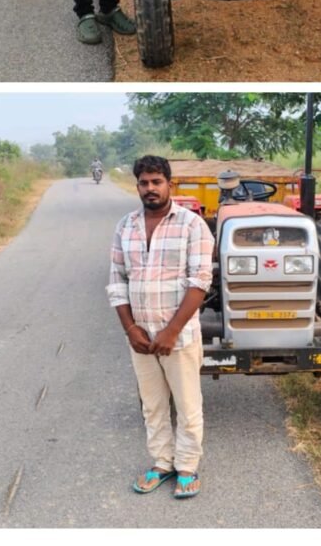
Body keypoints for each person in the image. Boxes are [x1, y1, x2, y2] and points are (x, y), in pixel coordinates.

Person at [107, 155, 213, 499]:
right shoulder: (126, 226)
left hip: (178, 337)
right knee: (152, 406)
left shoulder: (191, 225)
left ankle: (186, 467)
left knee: (186, 404)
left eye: (156, 182)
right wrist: (130, 328)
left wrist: (171, 331)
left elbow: (200, 283)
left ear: (170, 183)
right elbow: (117, 281)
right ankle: (162, 463)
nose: (150, 188)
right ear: (136, 185)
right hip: (141, 337)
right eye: (144, 182)